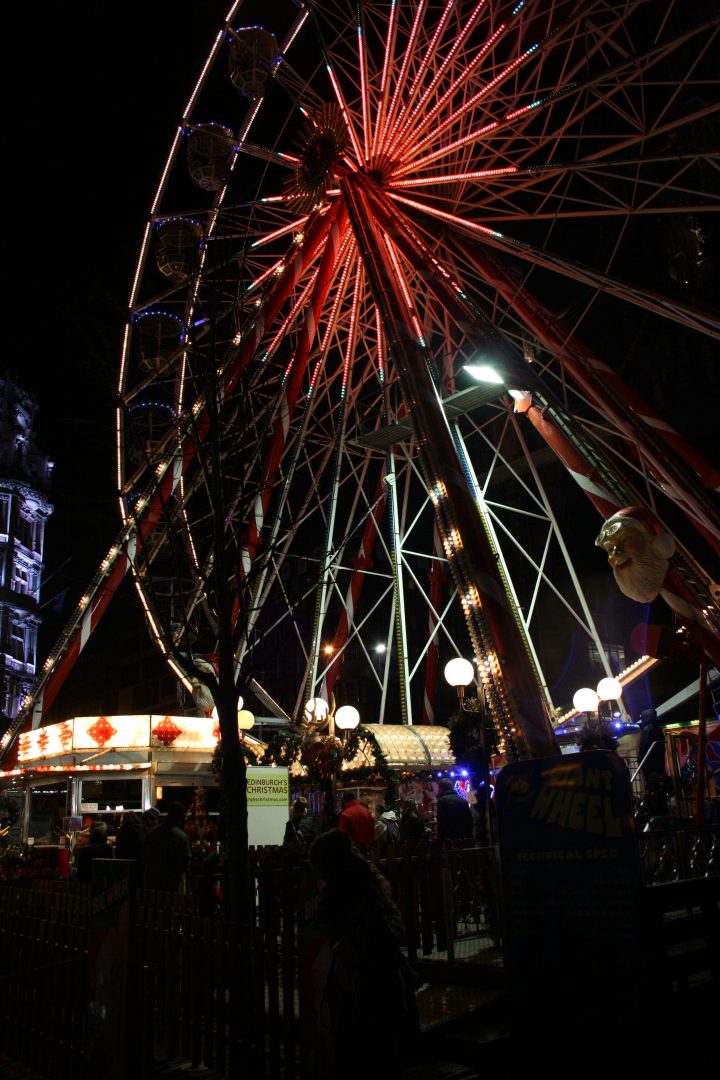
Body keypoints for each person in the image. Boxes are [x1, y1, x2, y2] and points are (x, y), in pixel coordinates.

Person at [302, 829, 419, 1078]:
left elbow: (379, 936)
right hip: (380, 987)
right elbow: (388, 931)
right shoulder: (364, 884)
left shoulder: (340, 898)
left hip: (363, 991)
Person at [143, 801, 192, 892]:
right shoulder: (180, 836)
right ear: (181, 816)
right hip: (170, 883)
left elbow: (145, 854)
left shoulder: (153, 832)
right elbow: (185, 862)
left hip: (151, 880)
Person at [115, 810, 149, 887]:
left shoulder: (123, 832)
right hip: (142, 864)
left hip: (126, 866)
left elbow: (119, 851)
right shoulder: (145, 829)